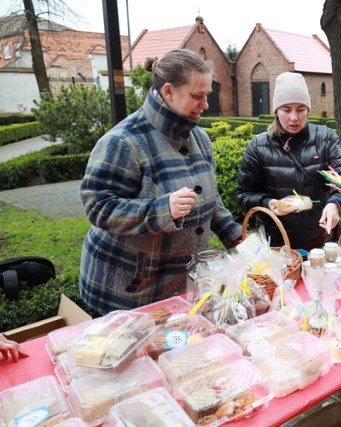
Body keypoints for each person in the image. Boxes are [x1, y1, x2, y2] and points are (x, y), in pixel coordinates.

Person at [79, 49, 242, 315]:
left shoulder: (199, 138)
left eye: (207, 95)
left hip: (179, 287)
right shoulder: (123, 142)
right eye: (196, 96)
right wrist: (161, 210)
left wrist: (238, 240)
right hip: (129, 291)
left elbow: (210, 200)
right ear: (168, 91)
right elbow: (98, 208)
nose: (205, 104)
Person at [235, 72, 341, 251]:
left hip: (321, 243)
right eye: (286, 109)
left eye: (300, 109)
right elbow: (243, 194)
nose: (294, 117)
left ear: (308, 109)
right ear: (276, 111)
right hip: (277, 247)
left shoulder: (326, 138)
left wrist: (336, 203)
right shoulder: (259, 146)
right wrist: (269, 204)